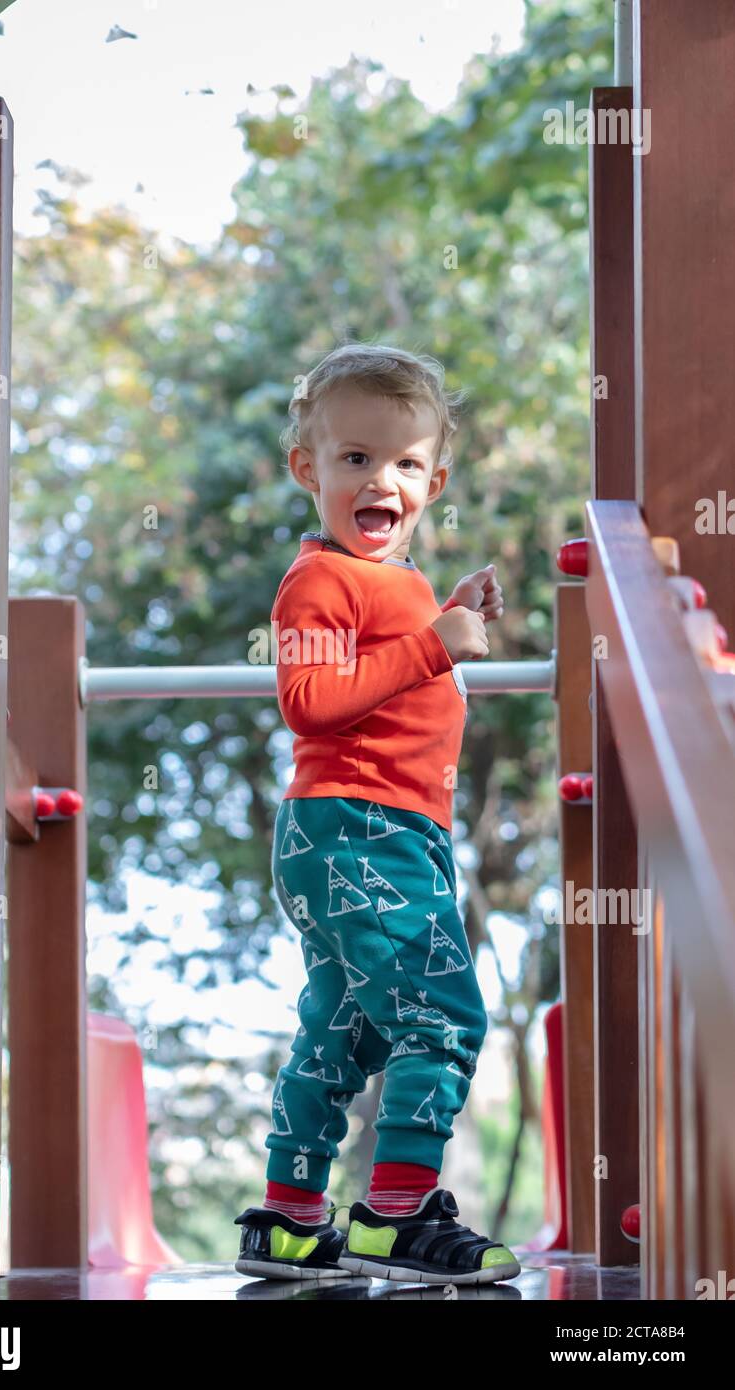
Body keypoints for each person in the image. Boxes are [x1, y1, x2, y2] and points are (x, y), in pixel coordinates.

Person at [234, 343, 521, 1287]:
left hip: (381, 834)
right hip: (356, 827)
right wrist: (437, 645)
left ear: (434, 479)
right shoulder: (318, 580)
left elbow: (389, 681)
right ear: (306, 469)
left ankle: (287, 1217)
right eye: (354, 458)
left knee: (345, 1029)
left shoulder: (392, 586)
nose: (380, 481)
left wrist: (443, 614)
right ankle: (396, 1219)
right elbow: (311, 702)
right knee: (444, 1016)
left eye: (404, 463)